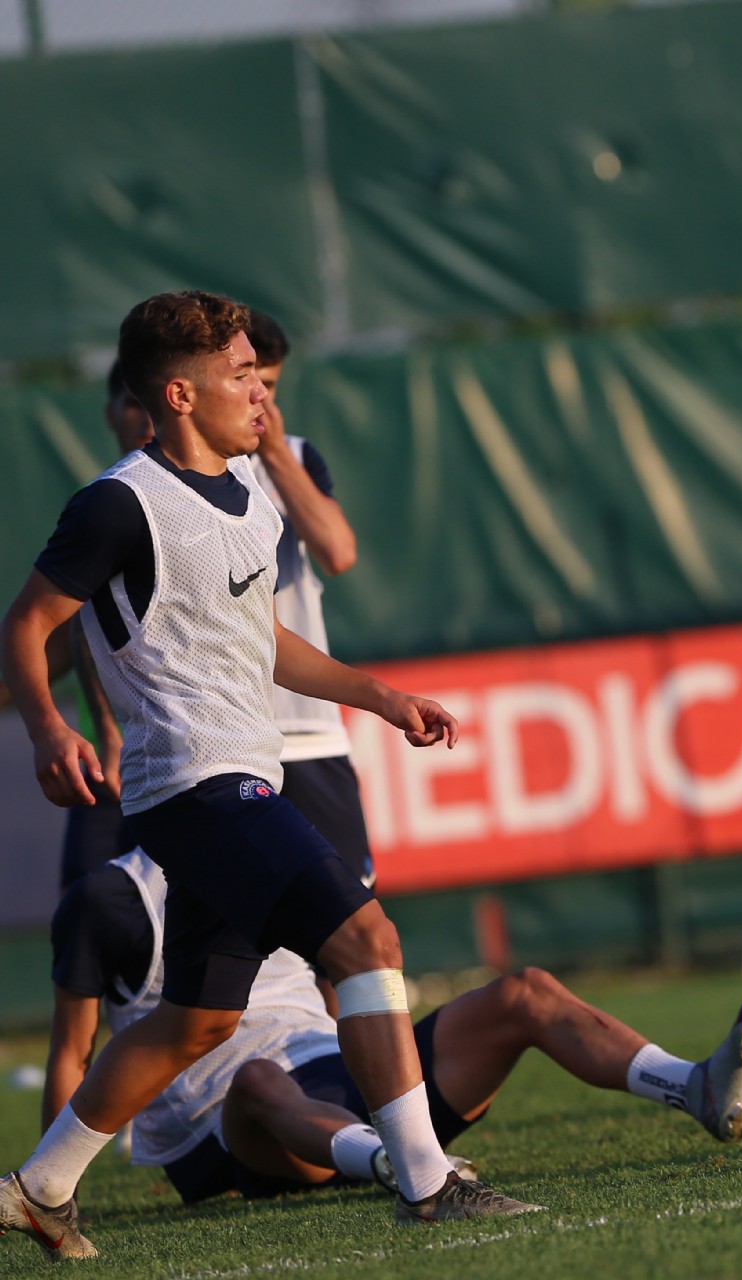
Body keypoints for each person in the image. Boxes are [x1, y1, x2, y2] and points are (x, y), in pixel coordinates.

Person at [0, 291, 534, 1262]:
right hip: (194, 786)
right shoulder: (120, 502)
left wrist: (379, 695)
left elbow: (263, 641)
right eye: (241, 374)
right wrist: (46, 727)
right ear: (178, 394)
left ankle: (39, 1188)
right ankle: (427, 1183)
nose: (261, 392)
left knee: (196, 1020)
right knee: (366, 938)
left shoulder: (251, 491)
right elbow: (28, 622)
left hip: (248, 774)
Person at [42, 850, 742, 1204]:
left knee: (524, 993)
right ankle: (404, 1167)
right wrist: (59, 1186)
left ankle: (696, 1088)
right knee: (258, 1076)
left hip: (333, 1077)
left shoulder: (271, 844)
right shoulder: (110, 899)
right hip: (231, 1133)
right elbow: (72, 1054)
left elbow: (340, 979)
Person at [0, 363, 152, 890]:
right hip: (106, 770)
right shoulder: (104, 504)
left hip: (190, 761)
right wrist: (101, 732)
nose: (145, 418)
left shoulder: (215, 498)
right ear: (110, 414)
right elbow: (71, 634)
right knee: (86, 921)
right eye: (132, 403)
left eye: (152, 402)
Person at [243, 312, 378, 888]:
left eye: (270, 385)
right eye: (246, 380)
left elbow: (338, 552)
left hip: (307, 729)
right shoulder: (172, 476)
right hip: (226, 742)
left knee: (353, 915)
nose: (259, 398)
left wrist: (275, 454)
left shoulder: (294, 456)